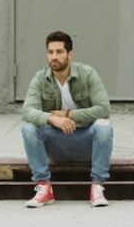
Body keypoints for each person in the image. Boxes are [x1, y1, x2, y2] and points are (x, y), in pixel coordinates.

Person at [21, 31, 114, 207]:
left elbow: (104, 109)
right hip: (55, 144)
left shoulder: (87, 74)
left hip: (86, 142)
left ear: (70, 54)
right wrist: (52, 119)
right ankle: (44, 187)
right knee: (29, 128)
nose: (54, 57)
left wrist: (69, 115)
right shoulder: (40, 78)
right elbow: (27, 111)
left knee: (104, 126)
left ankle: (97, 186)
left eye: (59, 52)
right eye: (50, 52)